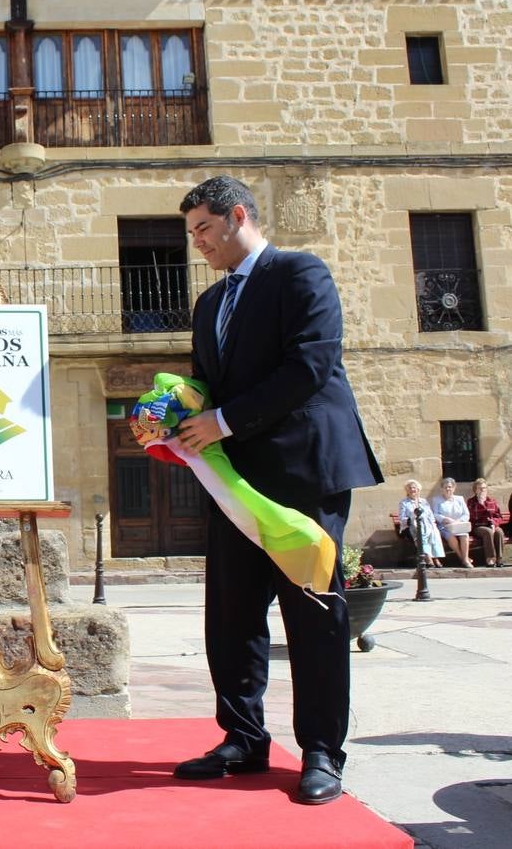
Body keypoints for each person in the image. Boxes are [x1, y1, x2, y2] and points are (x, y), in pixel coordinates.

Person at [172, 175, 382, 805]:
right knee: (230, 615)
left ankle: (321, 752)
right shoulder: (209, 305)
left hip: (302, 474)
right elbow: (208, 385)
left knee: (313, 615)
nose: (198, 243)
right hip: (234, 480)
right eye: (192, 234)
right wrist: (173, 414)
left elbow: (311, 363)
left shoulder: (300, 274)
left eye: (204, 229)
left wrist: (224, 421)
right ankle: (242, 739)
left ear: (239, 216)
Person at [399, 480, 445, 567]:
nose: (412, 489)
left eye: (414, 488)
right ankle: (429, 558)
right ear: (407, 490)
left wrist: (432, 525)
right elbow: (402, 518)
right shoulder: (404, 502)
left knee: (435, 533)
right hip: (411, 526)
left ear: (418, 490)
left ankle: (435, 558)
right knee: (420, 533)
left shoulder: (424, 501)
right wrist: (412, 518)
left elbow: (430, 515)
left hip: (427, 524)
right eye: (410, 488)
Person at [431, 477, 472, 567]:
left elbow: (466, 514)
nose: (448, 489)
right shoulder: (436, 499)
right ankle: (462, 558)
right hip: (444, 526)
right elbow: (435, 514)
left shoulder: (460, 499)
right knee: (450, 536)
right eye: (445, 487)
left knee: (464, 535)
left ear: (454, 488)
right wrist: (445, 519)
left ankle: (465, 558)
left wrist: (458, 521)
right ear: (441, 488)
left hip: (459, 525)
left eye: (450, 487)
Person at [467, 478, 505, 567]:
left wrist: (494, 524)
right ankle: (490, 558)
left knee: (499, 532)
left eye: (484, 488)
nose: (482, 490)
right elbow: (472, 517)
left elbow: (498, 516)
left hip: (491, 525)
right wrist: (480, 503)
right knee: (488, 532)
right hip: (477, 526)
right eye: (480, 488)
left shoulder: (491, 501)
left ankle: (499, 559)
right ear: (475, 490)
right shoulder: (471, 502)